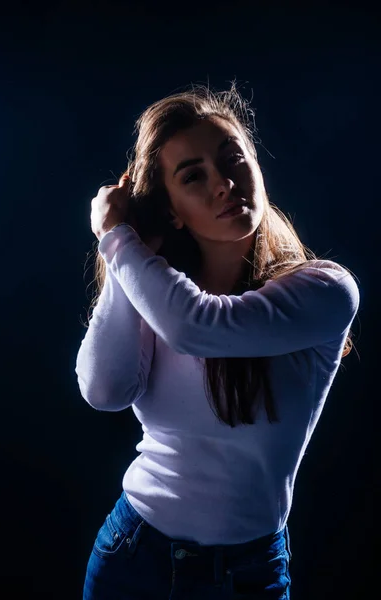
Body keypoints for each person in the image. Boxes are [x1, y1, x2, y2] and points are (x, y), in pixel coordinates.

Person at [76, 84, 360, 599]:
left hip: (248, 574)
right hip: (134, 554)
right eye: (194, 176)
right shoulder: (156, 289)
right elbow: (104, 390)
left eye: (234, 160)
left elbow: (197, 328)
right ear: (172, 210)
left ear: (258, 165)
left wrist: (116, 238)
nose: (224, 183)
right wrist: (128, 259)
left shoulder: (325, 290)